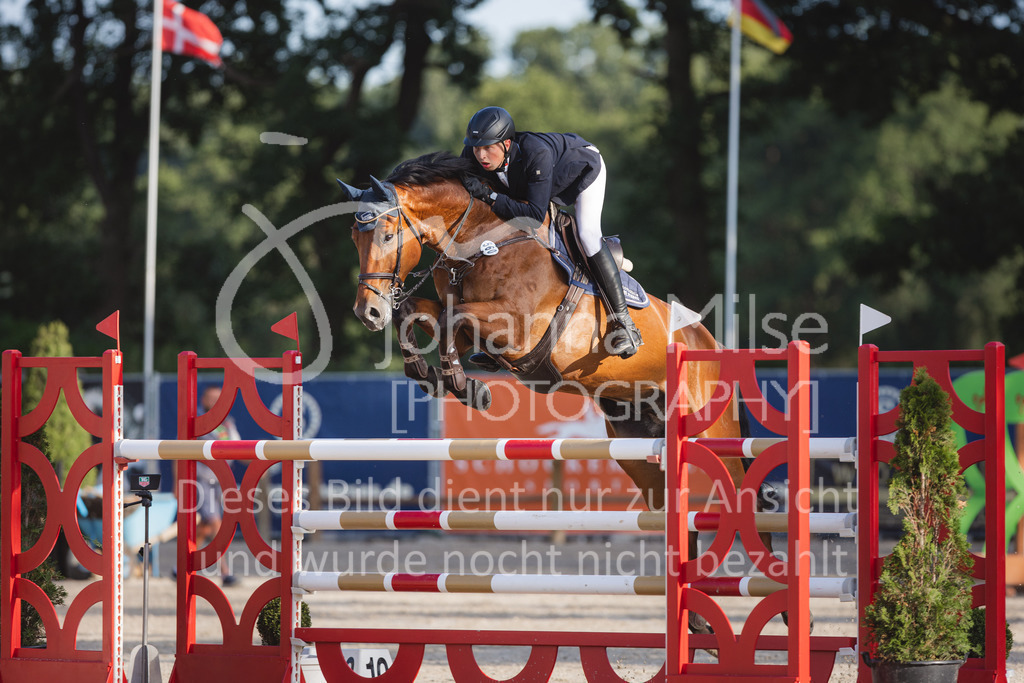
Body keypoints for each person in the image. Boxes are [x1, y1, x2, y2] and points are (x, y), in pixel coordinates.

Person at [459, 106, 643, 360]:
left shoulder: (537, 153)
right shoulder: (473, 154)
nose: (481, 155)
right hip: (535, 184)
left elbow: (534, 216)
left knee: (588, 236)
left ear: (507, 144)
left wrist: (490, 196)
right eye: (476, 148)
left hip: (582, 172)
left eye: (488, 148)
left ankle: (624, 323)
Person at [195, 385, 240, 587]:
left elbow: (238, 449)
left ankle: (182, 567)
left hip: (221, 480)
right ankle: (225, 572)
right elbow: (178, 453)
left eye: (217, 399)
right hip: (201, 480)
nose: (214, 403)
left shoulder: (227, 425)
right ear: (203, 400)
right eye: (211, 398)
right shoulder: (196, 423)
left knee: (205, 528)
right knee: (215, 523)